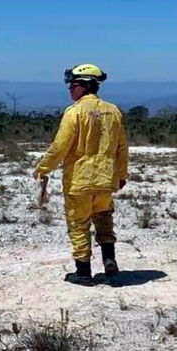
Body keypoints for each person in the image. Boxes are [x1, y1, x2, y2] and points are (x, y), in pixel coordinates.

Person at [33, 63, 129, 286]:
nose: (69, 89)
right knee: (104, 218)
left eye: (73, 85)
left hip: (80, 180)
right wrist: (121, 174)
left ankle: (83, 272)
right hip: (106, 179)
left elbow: (60, 147)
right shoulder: (113, 111)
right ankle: (109, 258)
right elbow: (122, 147)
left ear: (85, 86)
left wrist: (43, 168)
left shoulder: (74, 112)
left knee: (79, 224)